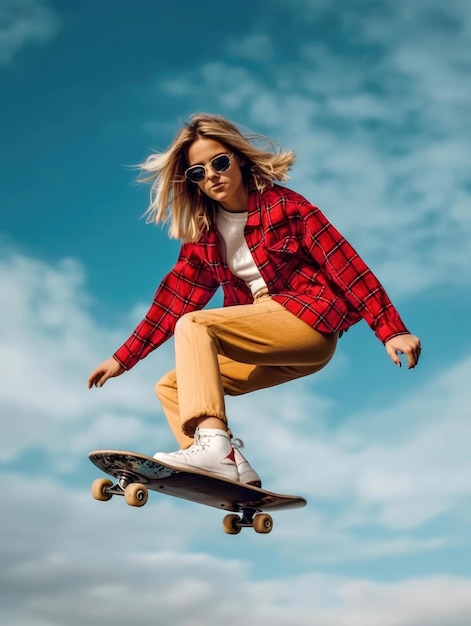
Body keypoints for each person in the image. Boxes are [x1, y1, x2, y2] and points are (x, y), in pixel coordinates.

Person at [88, 113, 421, 487]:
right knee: (171, 386)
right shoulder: (204, 237)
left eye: (219, 162)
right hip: (263, 337)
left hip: (306, 323)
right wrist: (122, 358)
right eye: (198, 172)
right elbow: (172, 302)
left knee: (195, 325)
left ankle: (214, 449)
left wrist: (391, 330)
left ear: (239, 158)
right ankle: (228, 466)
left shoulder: (286, 207)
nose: (212, 175)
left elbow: (346, 265)